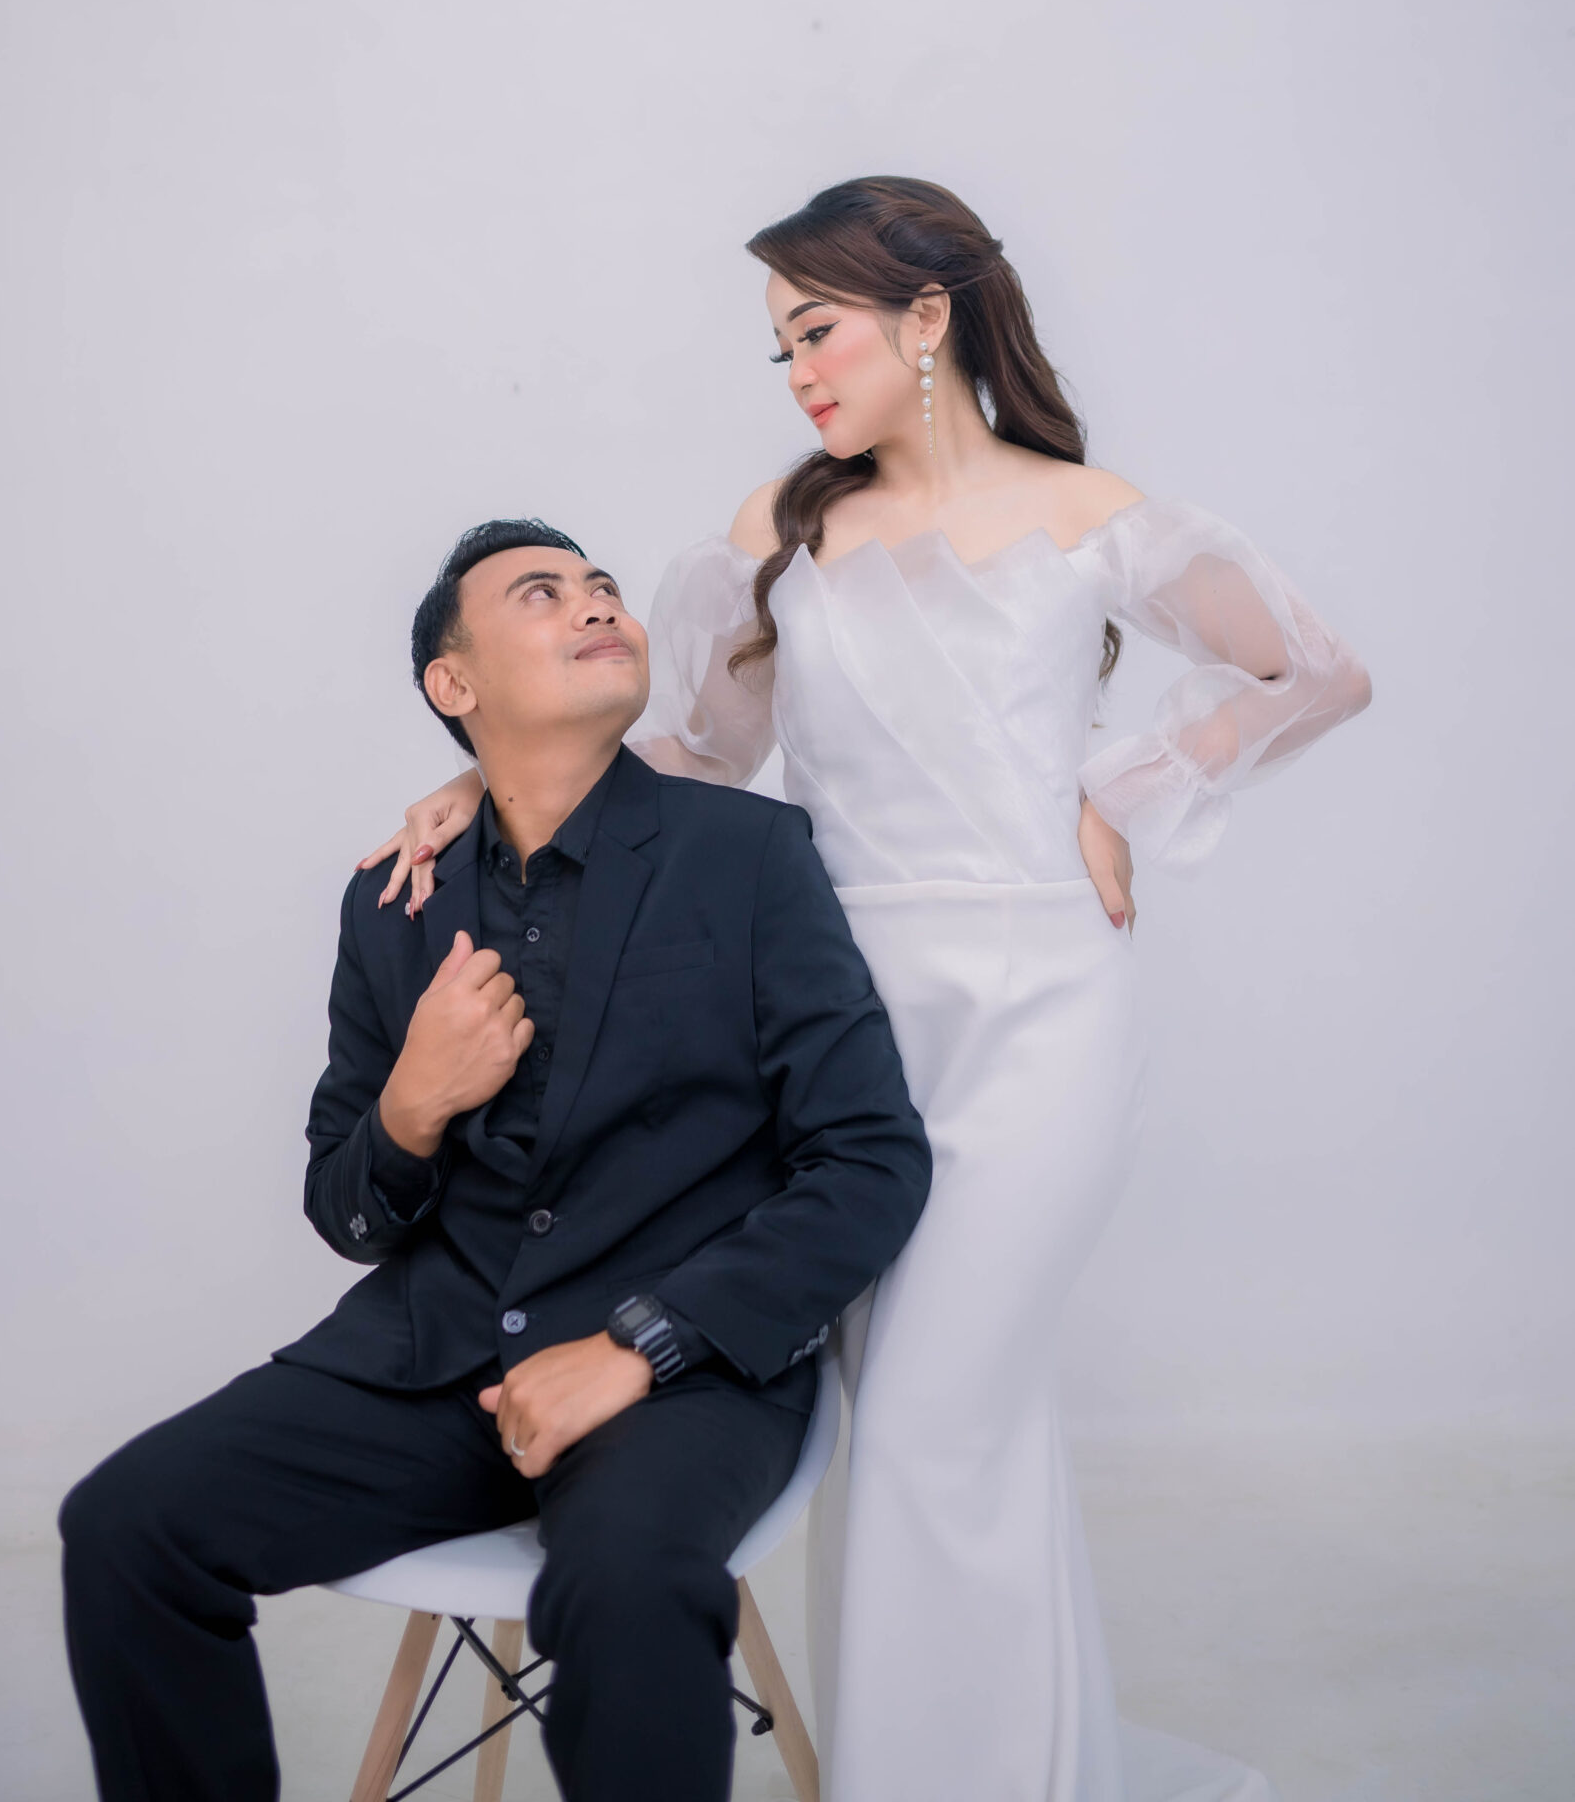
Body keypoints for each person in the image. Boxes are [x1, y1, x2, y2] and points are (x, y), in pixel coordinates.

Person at [368, 177, 1373, 1802]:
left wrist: (1118, 794)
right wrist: (481, 781)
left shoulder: (1086, 513)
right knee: (928, 1431)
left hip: (1040, 1016)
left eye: (814, 331)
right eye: (776, 346)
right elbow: (693, 753)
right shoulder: (783, 528)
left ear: (926, 320)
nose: (794, 374)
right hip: (832, 1033)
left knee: (934, 1420)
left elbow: (1311, 668)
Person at [59, 520, 931, 1802]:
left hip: (679, 1378)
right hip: (432, 1364)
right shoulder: (393, 901)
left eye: (603, 586)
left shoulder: (749, 854)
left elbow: (868, 1160)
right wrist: (412, 1105)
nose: (597, 603)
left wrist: (641, 1345)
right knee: (126, 1525)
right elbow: (346, 1211)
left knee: (629, 1584)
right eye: (542, 592)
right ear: (453, 682)